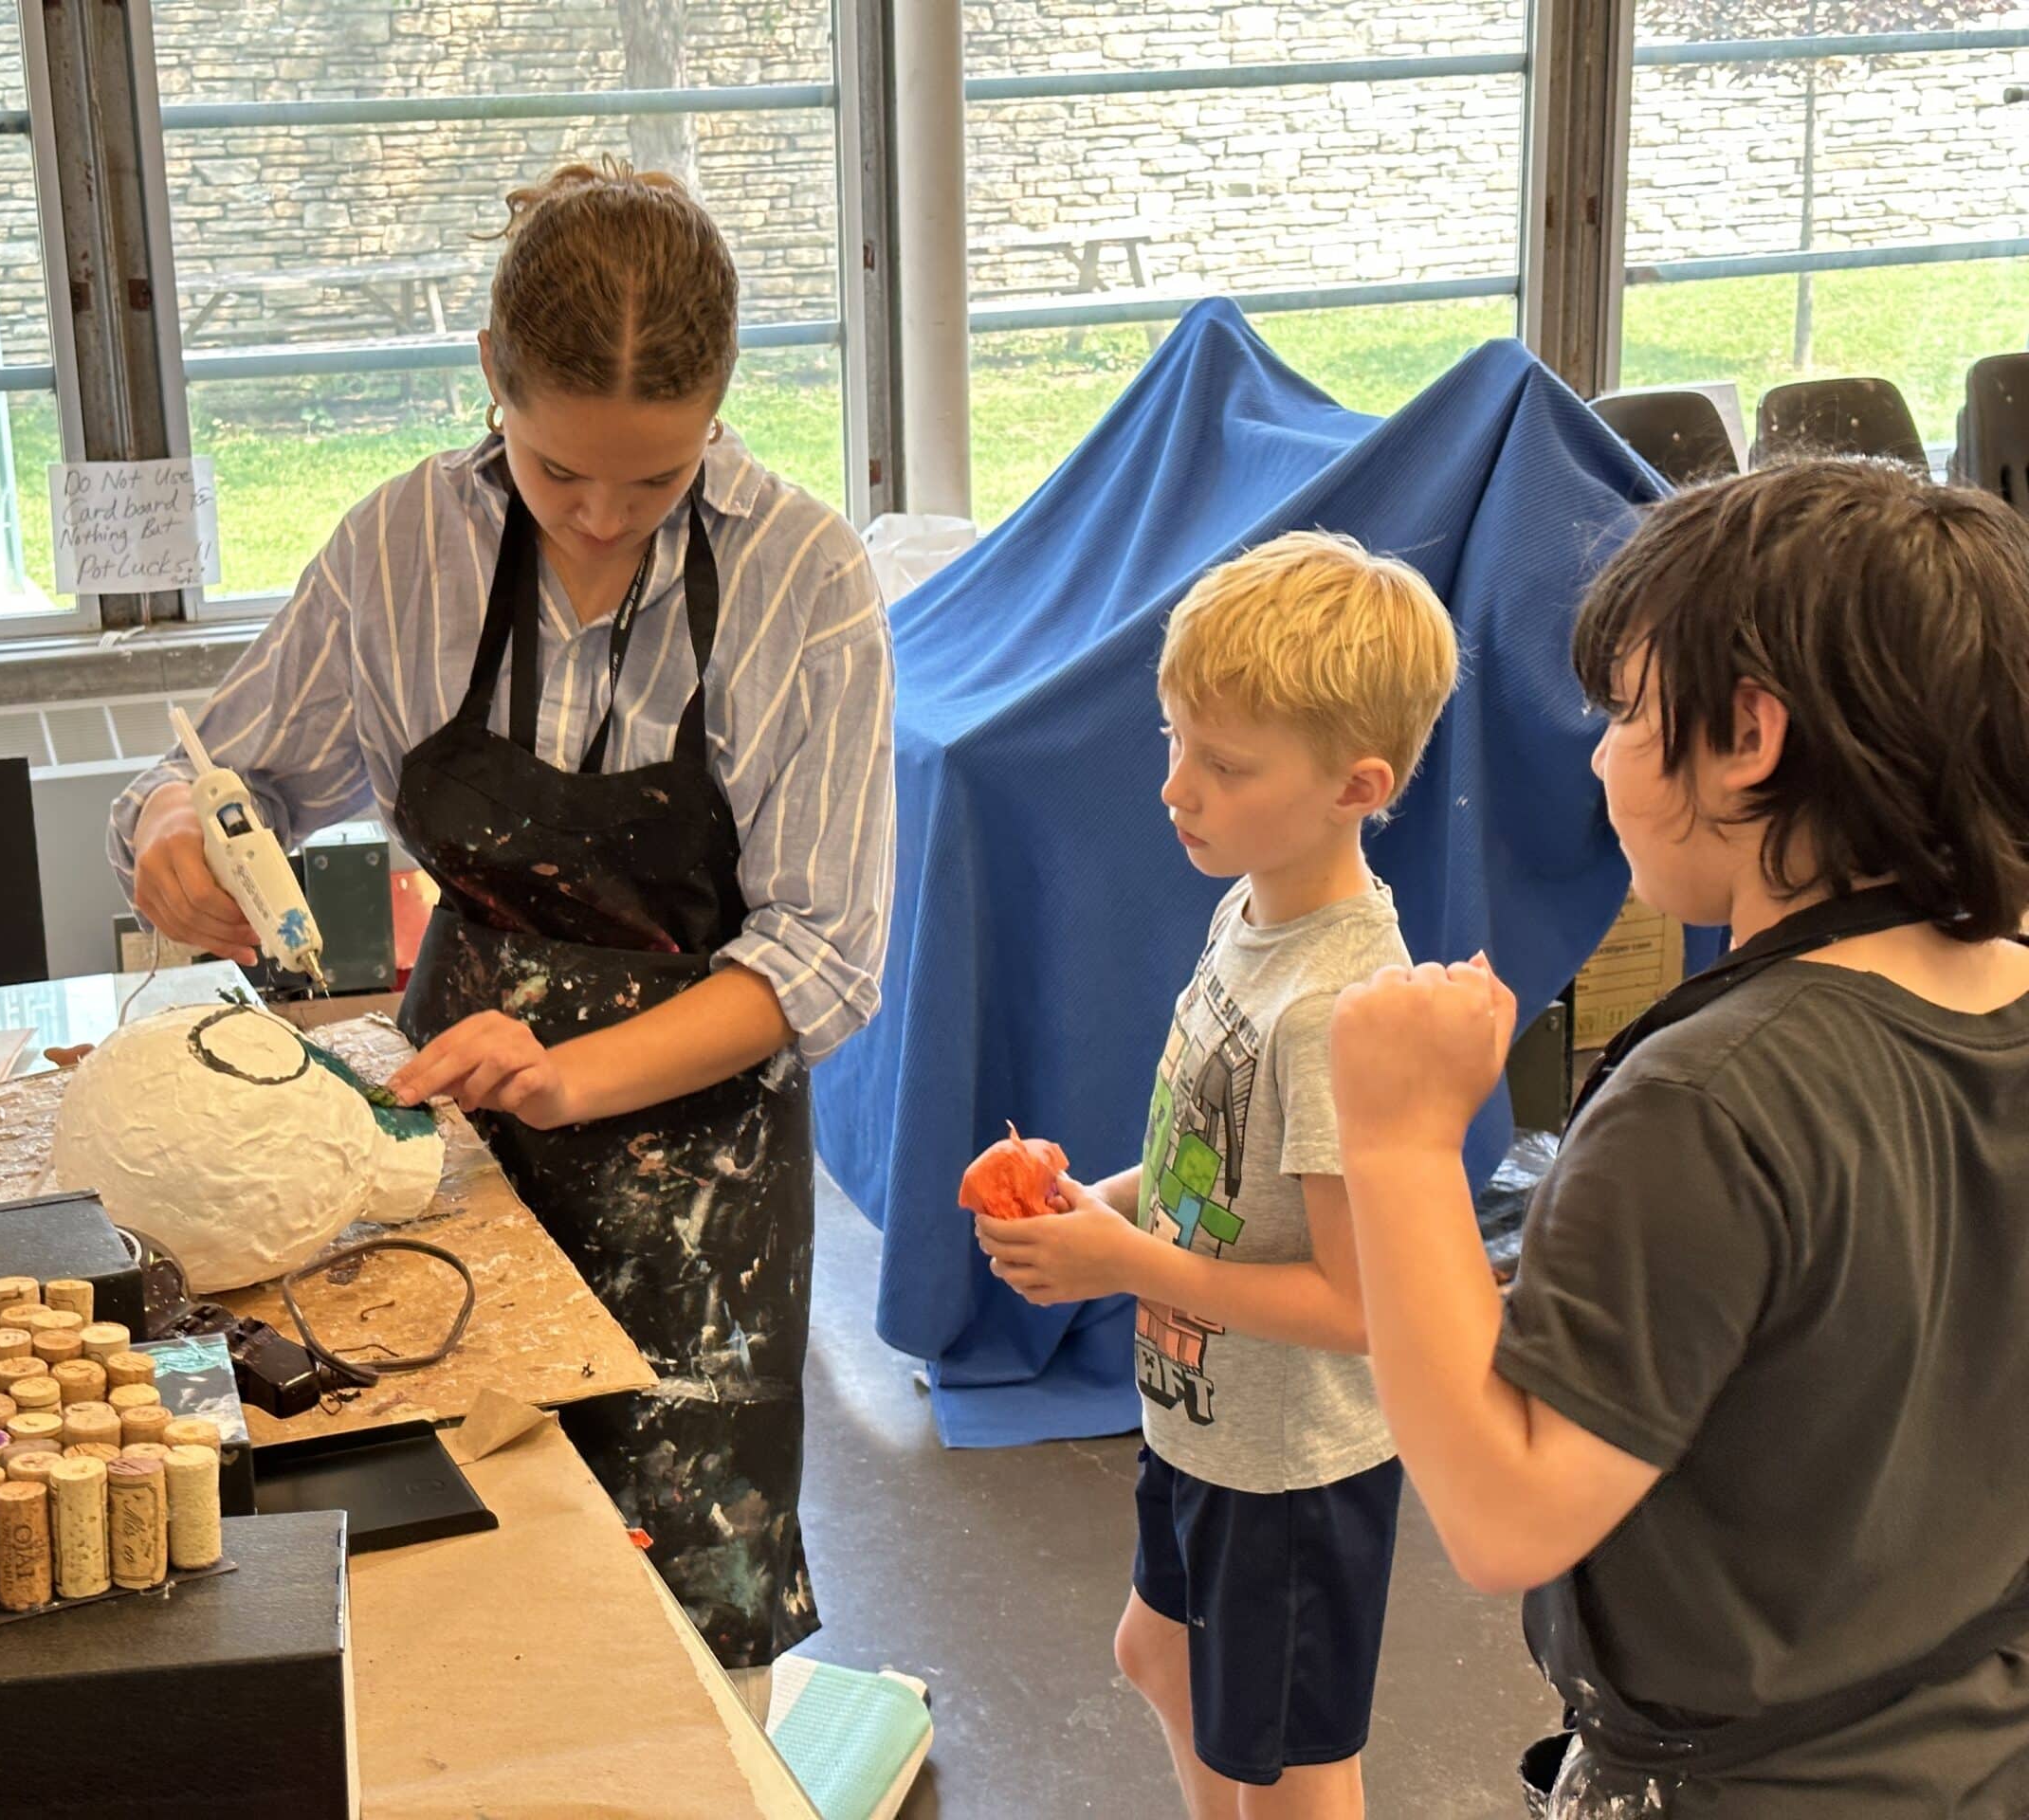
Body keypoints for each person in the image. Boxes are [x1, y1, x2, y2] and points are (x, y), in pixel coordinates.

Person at [108, 162, 895, 1670]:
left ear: (723, 403)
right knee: (456, 1589)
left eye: (655, 481)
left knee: (684, 1620)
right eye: (556, 472)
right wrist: (175, 838)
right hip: (447, 1143)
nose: (600, 519)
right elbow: (218, 773)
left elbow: (823, 954)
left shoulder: (803, 580)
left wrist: (571, 1072)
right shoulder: (402, 548)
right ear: (490, 377)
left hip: (701, 1181)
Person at [1327, 460, 2029, 1816]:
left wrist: (1402, 1144)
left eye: (1630, 714)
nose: (1602, 755)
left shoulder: (1707, 1100)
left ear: (1748, 734)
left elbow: (1505, 1517)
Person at [971, 533, 1458, 1819]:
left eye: (1227, 765)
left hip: (1291, 1470)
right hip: (1204, 1422)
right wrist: (1099, 1207)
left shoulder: (1336, 1003)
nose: (1178, 788)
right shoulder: (1246, 914)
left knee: (1291, 1774)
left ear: (1358, 785)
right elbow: (1213, 1163)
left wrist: (1122, 1261)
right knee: (1156, 1654)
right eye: (1175, 740)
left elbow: (1358, 1306)